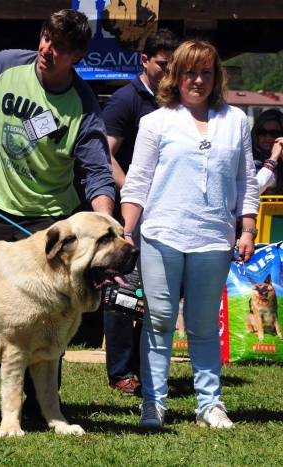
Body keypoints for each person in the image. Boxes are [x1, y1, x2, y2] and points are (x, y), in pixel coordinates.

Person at [0, 9, 115, 418]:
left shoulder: (83, 105)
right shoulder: (6, 64)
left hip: (47, 224)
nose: (47, 49)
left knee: (49, 316)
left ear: (76, 57)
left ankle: (41, 409)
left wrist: (108, 227)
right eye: (47, 37)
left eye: (60, 46)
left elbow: (98, 172)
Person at [121, 39, 259, 429]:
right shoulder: (155, 121)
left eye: (206, 72)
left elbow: (246, 180)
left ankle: (209, 405)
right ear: (175, 75)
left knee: (201, 324)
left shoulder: (236, 121)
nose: (197, 80)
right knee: (160, 320)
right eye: (189, 72)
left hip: (214, 238)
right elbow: (137, 183)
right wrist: (125, 232)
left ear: (216, 77)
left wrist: (246, 227)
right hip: (161, 234)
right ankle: (153, 404)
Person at [100, 29, 180, 395]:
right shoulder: (125, 100)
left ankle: (146, 366)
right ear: (144, 61)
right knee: (123, 292)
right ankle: (120, 372)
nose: (169, 71)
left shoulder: (176, 103)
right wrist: (132, 191)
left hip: (167, 215)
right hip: (130, 216)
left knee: (157, 293)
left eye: (173, 65)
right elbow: (105, 153)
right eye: (163, 64)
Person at [250, 109, 283, 194]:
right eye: (262, 132)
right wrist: (273, 159)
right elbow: (252, 191)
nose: (267, 137)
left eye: (274, 133)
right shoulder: (247, 156)